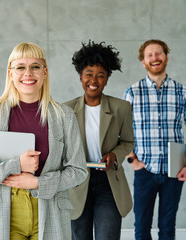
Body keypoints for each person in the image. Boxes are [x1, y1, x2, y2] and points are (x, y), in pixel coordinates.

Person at [0, 42, 88, 240]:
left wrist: (39, 182)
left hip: (50, 209)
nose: (28, 73)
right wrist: (15, 165)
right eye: (20, 67)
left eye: (35, 67)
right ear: (10, 73)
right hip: (0, 210)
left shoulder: (64, 116)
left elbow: (78, 171)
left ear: (44, 72)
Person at [65, 41, 134, 240]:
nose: (93, 80)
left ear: (106, 80)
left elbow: (128, 142)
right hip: (77, 182)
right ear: (80, 77)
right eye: (89, 74)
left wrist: (115, 155)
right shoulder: (66, 110)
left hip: (108, 183)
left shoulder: (121, 108)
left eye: (100, 75)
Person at [123, 39, 186, 240]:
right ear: (143, 62)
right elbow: (121, 131)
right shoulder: (132, 92)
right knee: (141, 227)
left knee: (168, 227)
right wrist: (131, 159)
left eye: (158, 53)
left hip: (175, 169)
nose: (155, 58)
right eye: (149, 55)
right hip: (145, 170)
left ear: (166, 58)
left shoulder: (183, 92)